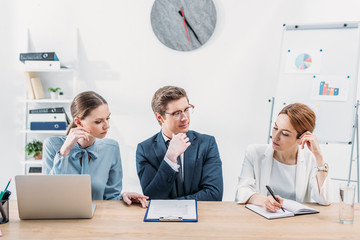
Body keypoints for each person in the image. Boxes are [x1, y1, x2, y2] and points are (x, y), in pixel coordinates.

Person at [43, 91, 148, 208]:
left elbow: (111, 197)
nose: (107, 125)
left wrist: (124, 196)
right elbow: (50, 194)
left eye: (108, 118)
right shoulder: (52, 145)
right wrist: (64, 152)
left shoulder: (111, 148)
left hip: (98, 220)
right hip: (60, 218)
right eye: (98, 121)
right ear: (78, 122)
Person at [235, 103, 331, 212]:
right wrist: (264, 201)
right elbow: (241, 191)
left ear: (301, 138)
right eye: (275, 128)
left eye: (284, 133)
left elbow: (324, 199)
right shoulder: (254, 152)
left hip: (296, 223)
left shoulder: (310, 159)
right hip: (263, 220)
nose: (275, 137)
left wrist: (318, 155)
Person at [136, 86, 223, 200]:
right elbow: (153, 197)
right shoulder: (145, 150)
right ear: (160, 117)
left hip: (201, 216)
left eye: (186, 109)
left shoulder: (207, 144)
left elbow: (213, 195)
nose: (184, 118)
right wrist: (170, 157)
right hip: (162, 217)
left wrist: (171, 204)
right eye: (177, 113)